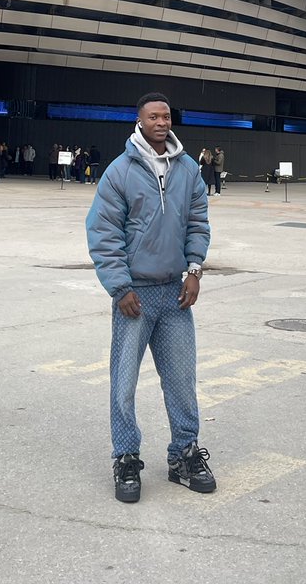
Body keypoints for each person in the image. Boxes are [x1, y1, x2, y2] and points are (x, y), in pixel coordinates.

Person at [86, 92, 215, 504]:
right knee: (123, 384)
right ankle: (125, 457)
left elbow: (198, 221)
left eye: (167, 116)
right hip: (135, 296)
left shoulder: (189, 169)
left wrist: (194, 270)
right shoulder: (119, 172)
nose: (162, 122)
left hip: (175, 293)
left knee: (181, 382)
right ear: (139, 121)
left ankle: (184, 455)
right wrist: (120, 287)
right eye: (154, 116)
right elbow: (103, 232)